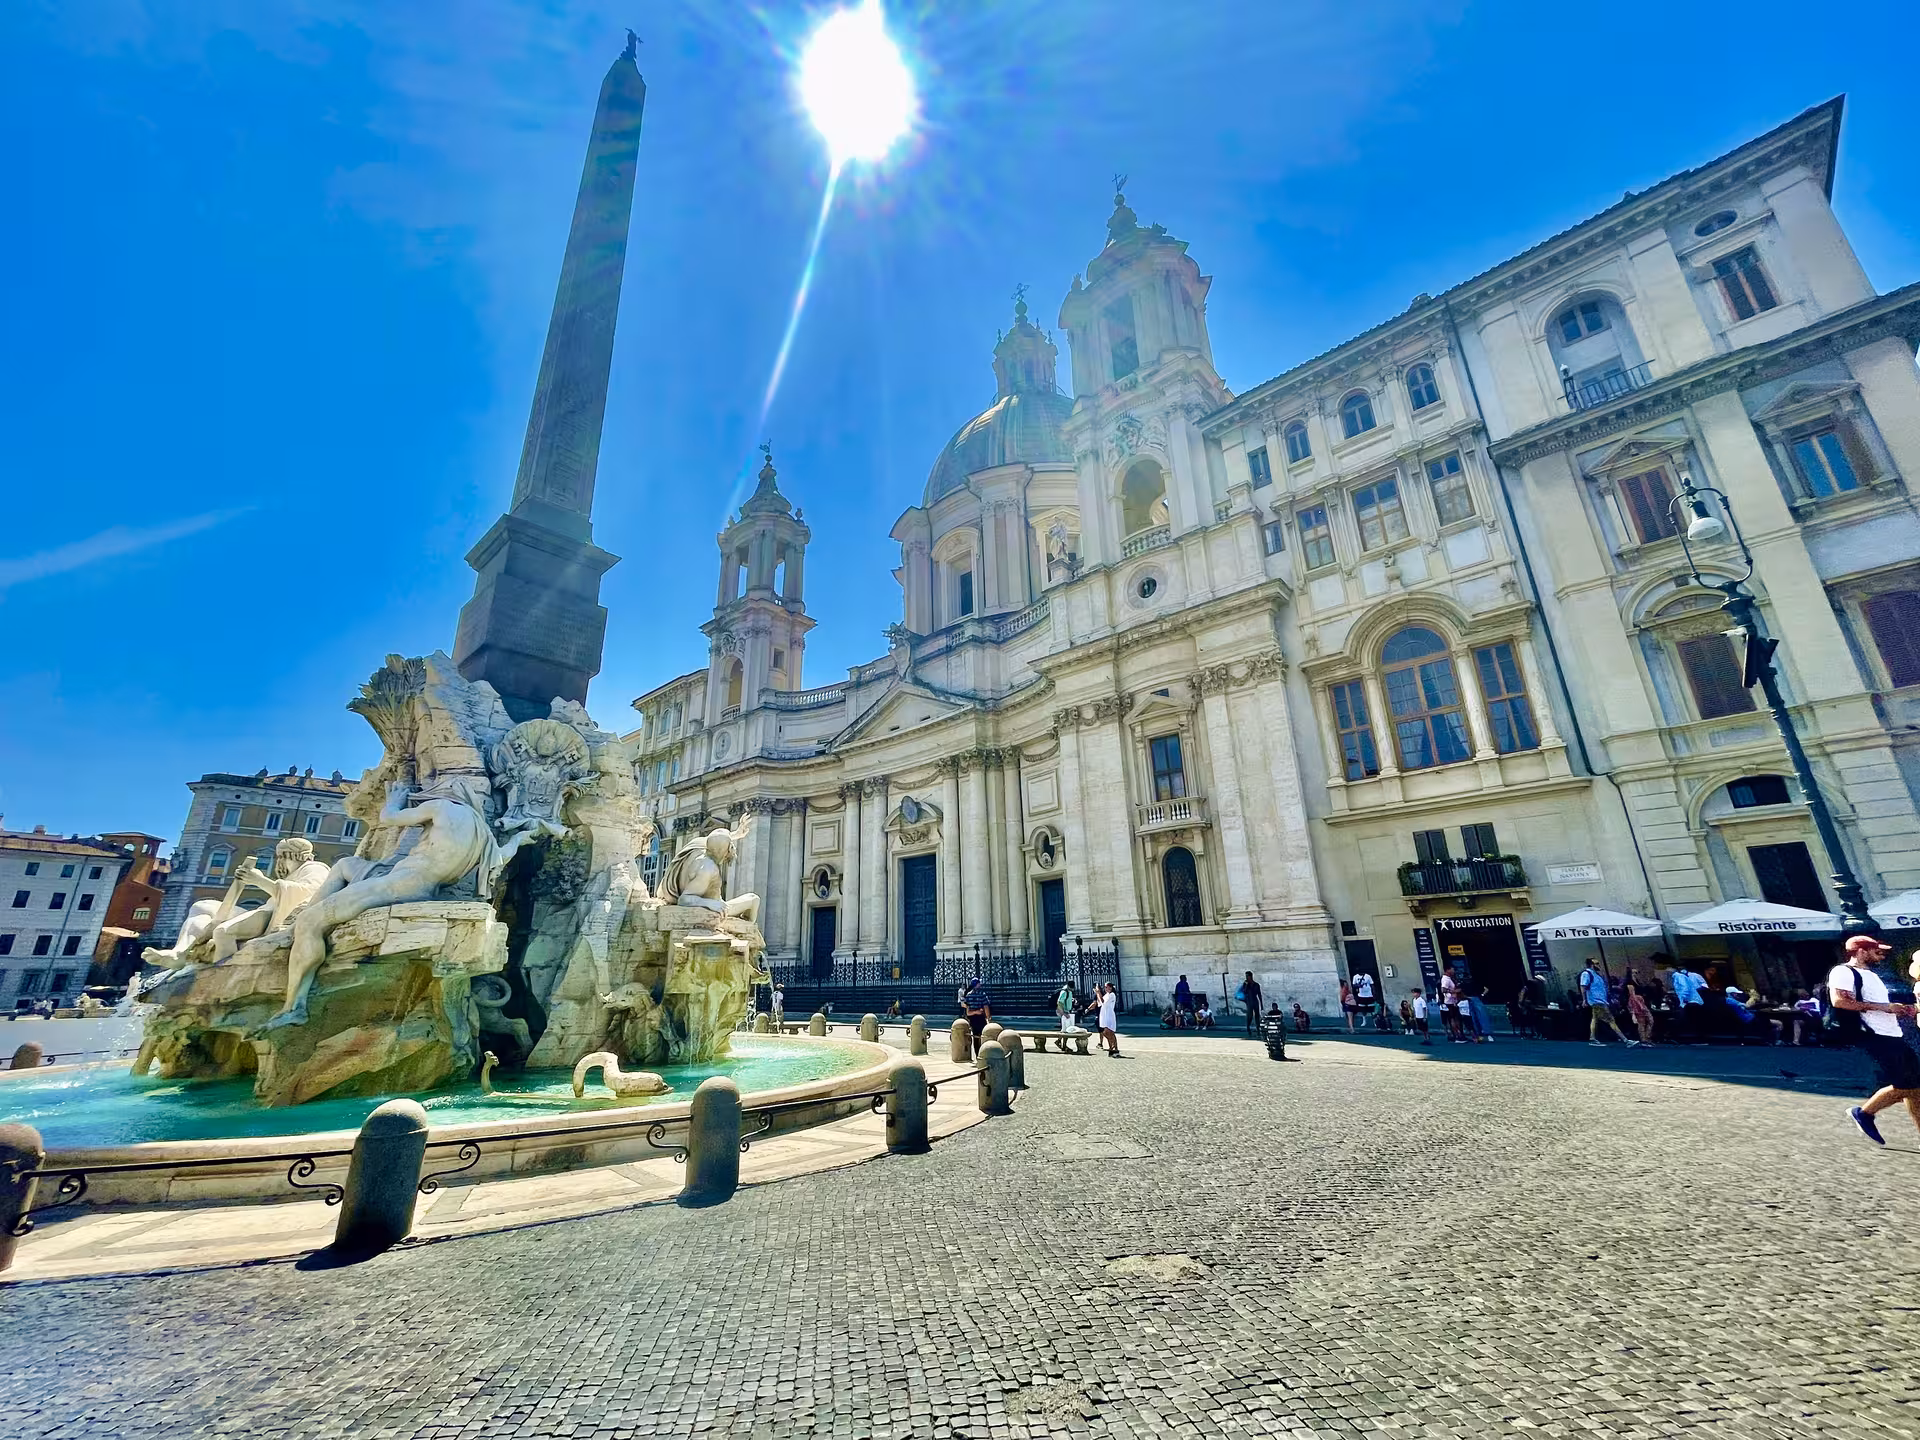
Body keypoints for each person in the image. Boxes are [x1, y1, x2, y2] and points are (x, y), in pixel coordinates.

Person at [1832, 934, 1920, 1144]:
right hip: (1874, 1035)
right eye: (1877, 951)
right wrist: (1884, 1008)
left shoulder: (1872, 975)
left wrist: (1900, 1010)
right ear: (1861, 951)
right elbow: (1839, 1001)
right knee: (1906, 1085)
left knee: (1915, 1087)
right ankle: (1864, 1113)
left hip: (1891, 1033)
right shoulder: (1843, 971)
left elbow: (1878, 1004)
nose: (1881, 956)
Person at [1580, 961, 1639, 1047]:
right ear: (1592, 965)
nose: (1599, 965)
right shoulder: (1587, 973)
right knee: (1611, 1020)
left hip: (1601, 1000)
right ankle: (1625, 1040)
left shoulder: (1597, 975)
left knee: (1595, 1019)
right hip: (1597, 1001)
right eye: (1597, 963)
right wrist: (1584, 1000)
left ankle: (1592, 1038)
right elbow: (1583, 986)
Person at [1668, 963, 1708, 1044]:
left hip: (1691, 1001)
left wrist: (1683, 1000)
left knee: (1688, 1019)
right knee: (1694, 1020)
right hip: (1692, 1001)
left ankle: (1675, 1037)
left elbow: (1684, 989)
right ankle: (1699, 1038)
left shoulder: (1678, 977)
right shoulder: (1681, 976)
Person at [1087, 981, 1122, 1058]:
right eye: (1105, 987)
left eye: (1106, 987)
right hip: (1104, 1014)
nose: (1105, 988)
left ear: (1110, 987)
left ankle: (1114, 1048)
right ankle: (1112, 1048)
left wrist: (1099, 992)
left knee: (1109, 1032)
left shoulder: (1112, 995)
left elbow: (1103, 1002)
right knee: (1107, 1032)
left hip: (1109, 1015)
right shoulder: (1107, 995)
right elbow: (1100, 1002)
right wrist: (1097, 993)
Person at [1625, 982, 1655, 1046]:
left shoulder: (1638, 997)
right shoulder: (1629, 1000)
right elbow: (1631, 1009)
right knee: (1641, 1025)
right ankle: (1644, 1040)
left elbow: (1643, 1004)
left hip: (1644, 1011)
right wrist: (1633, 1016)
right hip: (1638, 1013)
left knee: (1650, 1021)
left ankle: (1647, 1037)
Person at [1239, 971, 1264, 1036]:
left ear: (1251, 976)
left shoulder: (1256, 985)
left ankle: (1258, 1029)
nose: (1246, 977)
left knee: (1257, 1016)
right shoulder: (1245, 984)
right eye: (1246, 976)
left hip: (1255, 1001)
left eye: (1247, 976)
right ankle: (1248, 1027)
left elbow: (1259, 995)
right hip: (1249, 1001)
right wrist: (1246, 985)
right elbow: (1244, 992)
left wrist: (1261, 1005)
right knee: (1249, 1015)